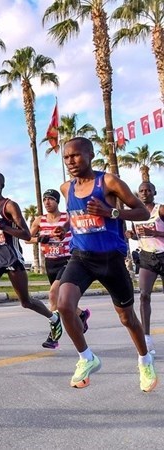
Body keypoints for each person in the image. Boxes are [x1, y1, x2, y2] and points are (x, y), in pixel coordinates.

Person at [54, 137, 156, 392]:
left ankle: (145, 360)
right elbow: (77, 216)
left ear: (90, 155)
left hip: (111, 260)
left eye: (76, 156)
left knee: (127, 318)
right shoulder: (66, 188)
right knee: (64, 304)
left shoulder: (108, 182)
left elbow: (142, 212)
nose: (71, 162)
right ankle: (87, 358)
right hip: (82, 258)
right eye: (66, 157)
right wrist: (64, 227)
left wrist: (110, 212)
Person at [0, 171, 62, 364]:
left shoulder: (9, 206)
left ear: (2, 185)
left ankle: (53, 319)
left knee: (26, 301)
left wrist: (2, 225)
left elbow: (26, 235)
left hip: (12, 259)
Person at [28, 189, 90, 349]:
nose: (47, 202)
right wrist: (39, 239)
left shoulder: (67, 218)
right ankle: (81, 313)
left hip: (67, 260)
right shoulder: (39, 220)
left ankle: (53, 336)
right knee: (60, 300)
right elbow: (27, 238)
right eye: (45, 200)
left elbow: (80, 229)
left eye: (50, 199)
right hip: (50, 262)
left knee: (53, 293)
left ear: (57, 201)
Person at [125, 182, 164, 356]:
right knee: (144, 295)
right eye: (141, 190)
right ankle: (146, 338)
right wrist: (131, 236)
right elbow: (137, 235)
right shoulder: (136, 214)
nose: (144, 192)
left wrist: (157, 233)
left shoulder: (160, 210)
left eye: (148, 190)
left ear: (154, 192)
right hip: (147, 257)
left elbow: (154, 233)